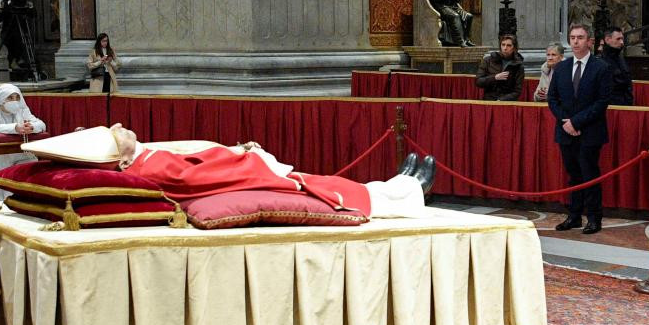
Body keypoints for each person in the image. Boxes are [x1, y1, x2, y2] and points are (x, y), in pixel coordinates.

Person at [24, 125, 437, 219]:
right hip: (249, 177)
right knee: (322, 188)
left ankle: (397, 183)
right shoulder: (149, 168)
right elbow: (197, 177)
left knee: (323, 182)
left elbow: (196, 155)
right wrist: (248, 159)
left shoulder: (146, 157)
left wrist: (235, 151)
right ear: (117, 153)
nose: (119, 127)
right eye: (116, 132)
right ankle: (408, 190)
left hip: (245, 168)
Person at [548, 22, 613, 235]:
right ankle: (574, 216)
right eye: (573, 37)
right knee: (573, 175)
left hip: (590, 132)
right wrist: (566, 122)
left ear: (590, 41)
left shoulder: (601, 68)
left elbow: (602, 102)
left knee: (589, 175)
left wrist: (577, 122)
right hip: (565, 131)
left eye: (580, 37)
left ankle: (594, 218)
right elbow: (552, 99)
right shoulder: (561, 68)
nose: (576, 41)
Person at [0, 84, 47, 201]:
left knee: (32, 166)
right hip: (1, 154)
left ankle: (29, 203)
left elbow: (41, 124)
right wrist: (15, 128)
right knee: (3, 179)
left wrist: (31, 127)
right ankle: (5, 203)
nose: (15, 101)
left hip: (22, 152)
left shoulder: (22, 110)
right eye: (10, 98)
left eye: (17, 98)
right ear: (1, 99)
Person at [475, 34, 524, 101]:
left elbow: (517, 91)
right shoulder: (488, 60)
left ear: (514, 48)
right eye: (503, 45)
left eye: (509, 45)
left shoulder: (518, 65)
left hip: (507, 103)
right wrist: (494, 78)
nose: (505, 48)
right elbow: (478, 81)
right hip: (489, 100)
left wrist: (501, 100)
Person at [599, 26, 634, 106]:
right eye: (618, 39)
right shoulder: (600, 62)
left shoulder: (621, 59)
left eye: (622, 39)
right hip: (609, 108)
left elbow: (628, 83)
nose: (622, 42)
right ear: (608, 40)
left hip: (625, 105)